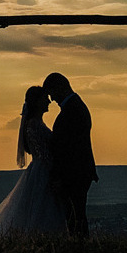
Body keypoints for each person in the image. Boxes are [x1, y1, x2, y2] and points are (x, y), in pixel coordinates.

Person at [0, 85, 65, 237]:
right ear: (37, 102)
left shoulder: (36, 123)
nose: (49, 101)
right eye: (45, 98)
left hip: (38, 170)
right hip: (43, 172)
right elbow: (45, 155)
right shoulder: (35, 125)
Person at [42, 72, 96, 239]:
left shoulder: (72, 110)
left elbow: (67, 149)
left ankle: (80, 247)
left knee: (75, 216)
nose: (51, 99)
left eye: (51, 93)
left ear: (60, 87)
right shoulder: (75, 106)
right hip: (78, 172)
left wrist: (59, 176)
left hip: (74, 174)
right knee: (76, 215)